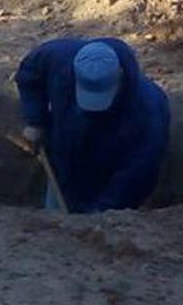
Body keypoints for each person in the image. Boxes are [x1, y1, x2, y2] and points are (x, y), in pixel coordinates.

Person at [14, 37, 170, 213]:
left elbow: (136, 174)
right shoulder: (58, 57)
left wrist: (100, 215)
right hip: (64, 163)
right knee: (55, 224)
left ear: (120, 76)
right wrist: (36, 121)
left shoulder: (148, 111)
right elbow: (29, 75)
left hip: (108, 176)